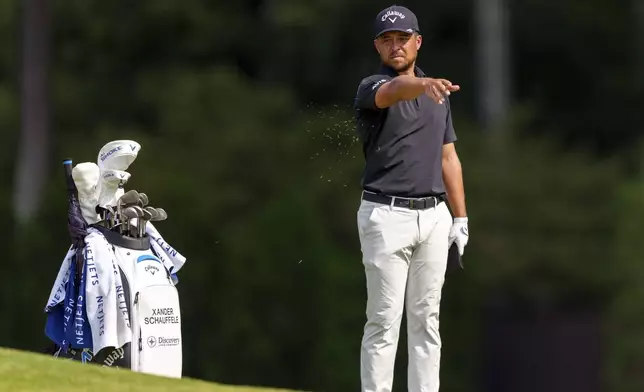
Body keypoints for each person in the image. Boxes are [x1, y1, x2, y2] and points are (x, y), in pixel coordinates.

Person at [353, 5, 469, 392]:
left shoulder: (438, 93)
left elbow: (448, 156)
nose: (395, 46)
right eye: (387, 40)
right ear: (377, 47)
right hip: (385, 215)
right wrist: (424, 84)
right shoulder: (372, 86)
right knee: (384, 322)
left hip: (433, 216)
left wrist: (460, 218)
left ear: (417, 42)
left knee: (426, 321)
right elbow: (395, 91)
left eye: (402, 39)